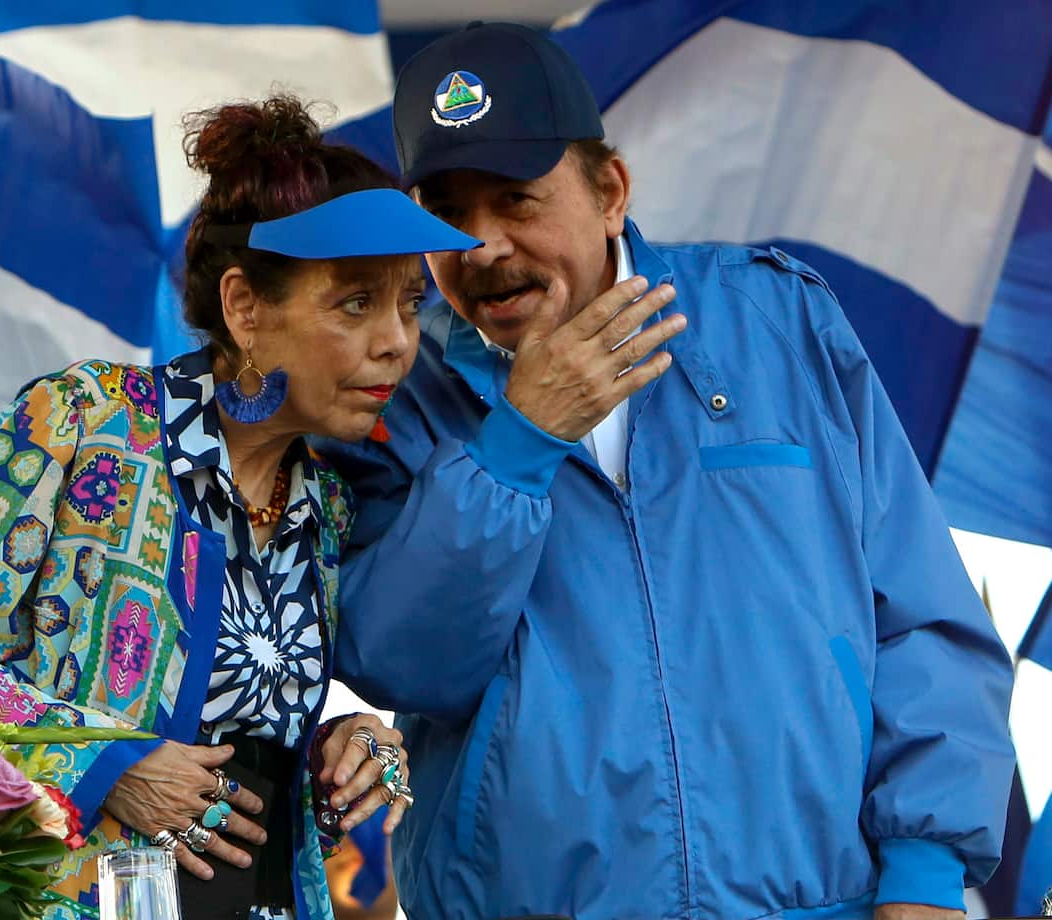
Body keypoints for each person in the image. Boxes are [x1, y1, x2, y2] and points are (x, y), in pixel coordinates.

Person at [319, 22, 1016, 920]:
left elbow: (921, 619)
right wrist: (519, 441)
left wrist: (925, 879)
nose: (482, 246)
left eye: (518, 200)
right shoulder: (398, 395)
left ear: (610, 191)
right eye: (447, 214)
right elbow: (408, 665)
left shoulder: (779, 321)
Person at [0, 95, 478, 920]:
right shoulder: (85, 422)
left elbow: (240, 754)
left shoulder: (328, 505)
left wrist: (340, 752)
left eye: (409, 305)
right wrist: (106, 761)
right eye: (355, 304)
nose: (396, 340)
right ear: (246, 308)